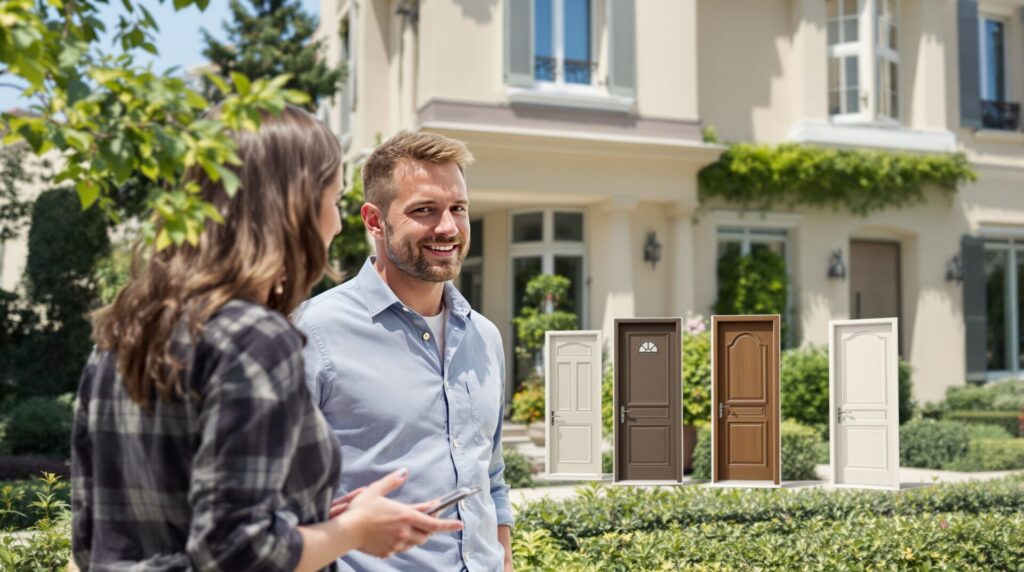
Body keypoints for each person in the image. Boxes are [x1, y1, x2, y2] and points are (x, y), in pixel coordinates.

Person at [71, 106, 462, 572]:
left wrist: (314, 522)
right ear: (291, 208)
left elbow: (93, 538)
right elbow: (235, 551)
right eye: (333, 202)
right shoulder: (254, 339)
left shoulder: (125, 330)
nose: (337, 226)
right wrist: (354, 532)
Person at [297, 132, 513, 572]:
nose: (448, 228)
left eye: (458, 209)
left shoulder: (485, 337)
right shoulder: (312, 333)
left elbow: (490, 479)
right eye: (424, 211)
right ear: (375, 221)